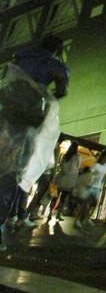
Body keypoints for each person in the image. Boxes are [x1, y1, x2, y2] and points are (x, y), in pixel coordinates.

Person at [0, 35, 69, 245]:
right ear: (57, 49)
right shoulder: (54, 63)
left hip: (6, 113)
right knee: (14, 171)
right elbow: (62, 87)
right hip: (29, 118)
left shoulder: (22, 54)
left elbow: (6, 74)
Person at [73, 150, 106, 230]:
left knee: (95, 204)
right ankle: (78, 220)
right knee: (85, 205)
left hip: (97, 187)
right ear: (103, 157)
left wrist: (101, 185)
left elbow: (102, 178)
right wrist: (91, 179)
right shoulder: (96, 165)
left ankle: (86, 217)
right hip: (90, 186)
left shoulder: (105, 166)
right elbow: (89, 173)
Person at [53, 141, 80, 218]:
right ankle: (58, 214)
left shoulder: (65, 155)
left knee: (55, 196)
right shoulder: (77, 157)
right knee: (63, 198)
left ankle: (48, 213)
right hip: (69, 181)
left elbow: (61, 165)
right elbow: (77, 169)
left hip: (61, 179)